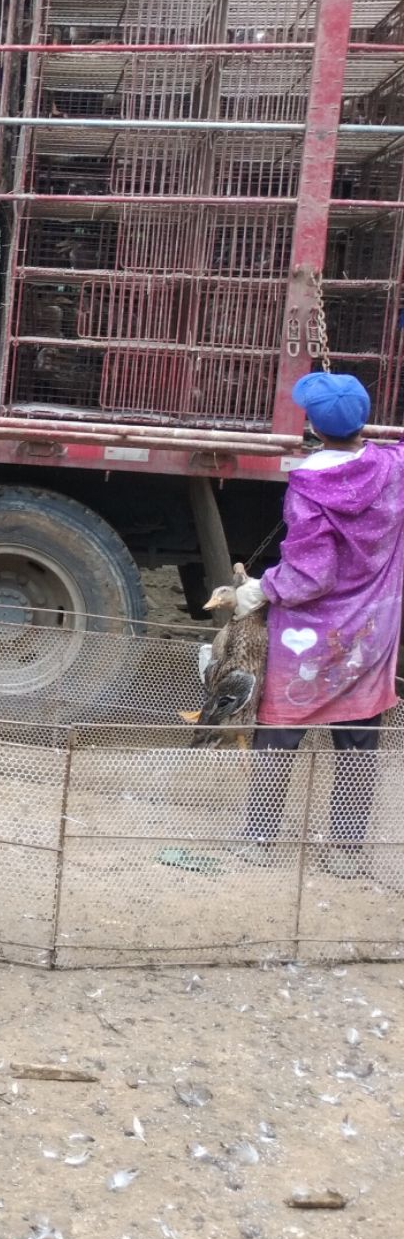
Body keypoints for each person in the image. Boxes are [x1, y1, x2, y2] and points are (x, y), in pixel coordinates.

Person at [238, 370, 404, 875]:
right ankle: (346, 851)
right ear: (365, 421)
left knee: (281, 729)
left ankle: (260, 838)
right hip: (371, 634)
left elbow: (311, 574)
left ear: (311, 425)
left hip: (306, 637)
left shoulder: (310, 486)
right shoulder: (394, 466)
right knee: (357, 737)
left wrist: (260, 589)